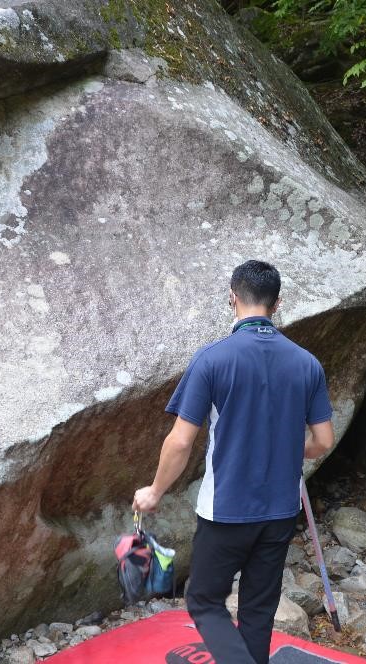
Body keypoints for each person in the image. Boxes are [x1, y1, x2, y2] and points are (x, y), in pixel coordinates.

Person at [132, 259, 335, 664]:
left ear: (232, 298)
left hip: (226, 509)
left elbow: (180, 441)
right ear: (277, 304)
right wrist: (281, 452)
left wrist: (154, 491)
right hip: (279, 509)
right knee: (258, 611)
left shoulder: (212, 359)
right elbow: (323, 441)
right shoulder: (306, 363)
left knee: (204, 600)